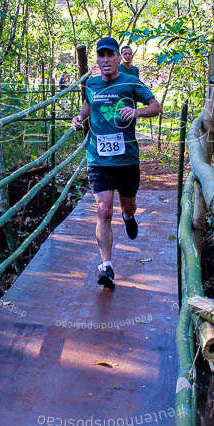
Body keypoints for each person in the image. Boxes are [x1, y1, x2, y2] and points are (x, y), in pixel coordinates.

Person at [72, 37, 162, 289]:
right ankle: (107, 266)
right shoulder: (90, 84)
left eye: (109, 55)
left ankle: (129, 215)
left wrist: (137, 112)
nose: (105, 60)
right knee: (103, 211)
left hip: (127, 159)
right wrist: (79, 118)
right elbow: (88, 104)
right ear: (98, 60)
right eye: (101, 55)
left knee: (128, 205)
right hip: (98, 158)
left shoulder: (131, 82)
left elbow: (156, 106)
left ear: (116, 58)